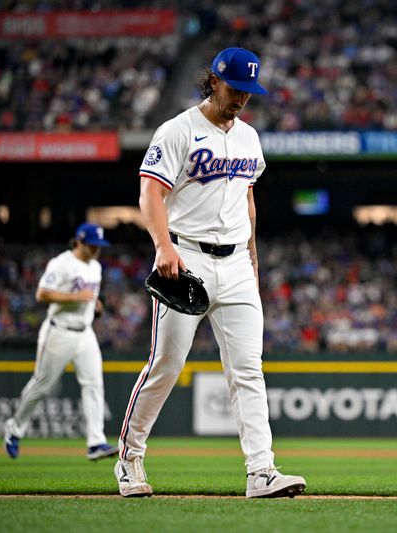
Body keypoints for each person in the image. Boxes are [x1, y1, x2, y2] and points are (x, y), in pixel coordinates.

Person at [115, 47, 306, 498]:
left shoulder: (249, 138)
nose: (243, 98)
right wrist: (163, 246)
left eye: (249, 92)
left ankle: (261, 471)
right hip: (187, 258)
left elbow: (247, 200)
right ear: (214, 81)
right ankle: (129, 457)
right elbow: (150, 193)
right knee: (166, 364)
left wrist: (253, 260)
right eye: (236, 89)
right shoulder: (178, 130)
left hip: (237, 261)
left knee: (248, 370)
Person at [3, 223, 118, 461]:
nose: (97, 250)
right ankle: (14, 429)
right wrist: (75, 297)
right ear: (79, 241)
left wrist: (94, 304)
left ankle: (96, 442)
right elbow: (42, 293)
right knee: (42, 386)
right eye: (93, 245)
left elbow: (89, 296)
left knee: (94, 384)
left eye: (99, 246)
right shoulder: (61, 263)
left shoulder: (96, 267)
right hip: (59, 332)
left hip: (85, 332)